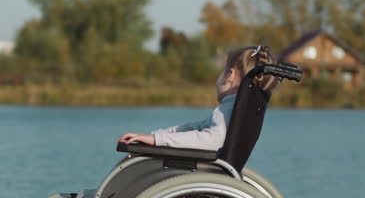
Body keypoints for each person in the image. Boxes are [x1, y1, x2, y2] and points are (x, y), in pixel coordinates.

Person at [118, 45, 279, 151]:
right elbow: (197, 128)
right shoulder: (238, 109)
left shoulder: (229, 111)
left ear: (229, 75)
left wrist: (158, 139)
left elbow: (213, 139)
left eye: (223, 70)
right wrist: (156, 136)